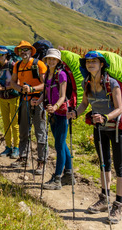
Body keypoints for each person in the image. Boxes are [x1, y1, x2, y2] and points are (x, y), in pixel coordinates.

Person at [68, 51, 122, 224]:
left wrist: (106, 117)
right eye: (88, 62)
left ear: (101, 65)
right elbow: (85, 104)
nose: (90, 64)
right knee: (104, 164)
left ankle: (118, 206)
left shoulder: (112, 83)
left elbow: (119, 108)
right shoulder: (86, 82)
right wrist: (75, 114)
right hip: (99, 128)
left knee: (119, 166)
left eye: (94, 61)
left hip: (115, 129)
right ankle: (104, 198)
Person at [7, 40, 48, 175]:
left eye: (26, 50)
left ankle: (41, 162)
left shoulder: (39, 65)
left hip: (38, 100)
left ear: (31, 51)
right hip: (24, 99)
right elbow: (13, 82)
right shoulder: (17, 65)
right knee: (24, 129)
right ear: (18, 52)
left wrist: (31, 89)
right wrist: (20, 88)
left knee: (40, 131)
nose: (23, 52)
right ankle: (23, 157)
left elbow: (46, 85)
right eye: (21, 50)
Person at [41, 48, 74, 189]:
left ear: (58, 61)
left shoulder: (61, 75)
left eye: (54, 59)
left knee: (59, 145)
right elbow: (46, 91)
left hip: (61, 113)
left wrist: (55, 107)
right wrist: (39, 101)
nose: (51, 61)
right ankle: (69, 175)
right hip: (52, 112)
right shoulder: (48, 74)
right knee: (61, 143)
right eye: (49, 59)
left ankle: (57, 179)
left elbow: (62, 96)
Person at [0, 47, 19, 158]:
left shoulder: (12, 65)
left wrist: (4, 88)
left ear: (6, 55)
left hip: (14, 96)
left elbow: (17, 82)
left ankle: (16, 148)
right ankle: (8, 146)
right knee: (6, 123)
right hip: (3, 97)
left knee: (14, 124)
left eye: (1, 55)